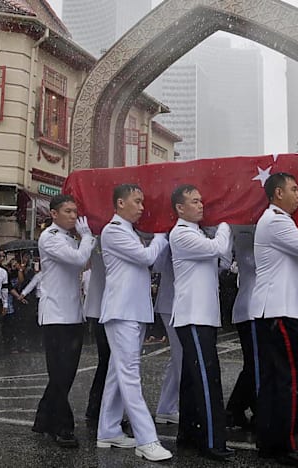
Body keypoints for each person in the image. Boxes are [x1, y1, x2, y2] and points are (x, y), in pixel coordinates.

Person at [249, 172, 298, 466]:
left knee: (274, 380)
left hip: (275, 310)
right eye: (294, 189)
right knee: (292, 379)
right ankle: (291, 445)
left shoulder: (272, 221)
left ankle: (269, 441)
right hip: (279, 312)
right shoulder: (276, 221)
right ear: (277, 193)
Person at [97, 184, 172, 462]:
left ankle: (108, 430)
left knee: (118, 374)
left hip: (134, 311)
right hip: (121, 311)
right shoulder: (114, 230)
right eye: (137, 201)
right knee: (130, 375)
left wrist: (156, 238)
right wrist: (161, 234)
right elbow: (146, 257)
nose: (142, 207)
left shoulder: (130, 232)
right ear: (120, 203)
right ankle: (146, 439)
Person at [168, 184, 234, 461]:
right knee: (208, 379)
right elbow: (219, 247)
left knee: (193, 380)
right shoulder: (181, 233)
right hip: (193, 315)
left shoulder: (196, 234)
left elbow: (222, 260)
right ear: (180, 208)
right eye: (194, 201)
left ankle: (189, 435)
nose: (201, 205)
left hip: (202, 315)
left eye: (201, 200)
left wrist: (220, 241)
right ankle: (211, 441)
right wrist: (227, 222)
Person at [30, 194, 95, 448]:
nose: (73, 215)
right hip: (56, 315)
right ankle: (62, 427)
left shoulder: (69, 238)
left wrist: (85, 240)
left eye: (74, 211)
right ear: (54, 214)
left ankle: (43, 418)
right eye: (67, 211)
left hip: (72, 313)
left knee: (64, 373)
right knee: (60, 373)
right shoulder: (50, 237)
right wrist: (88, 236)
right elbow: (79, 259)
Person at [225, 226, 259, 430]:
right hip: (250, 309)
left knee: (256, 364)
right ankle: (235, 410)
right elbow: (252, 262)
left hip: (260, 308)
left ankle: (239, 409)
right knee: (254, 364)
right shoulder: (243, 232)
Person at [151, 244, 182, 426]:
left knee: (178, 359)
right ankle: (187, 405)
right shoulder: (173, 235)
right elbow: (158, 265)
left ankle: (166, 407)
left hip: (177, 303)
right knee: (182, 358)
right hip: (172, 303)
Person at [83, 246, 111, 426]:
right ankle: (100, 408)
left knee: (107, 362)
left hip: (102, 306)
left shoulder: (99, 238)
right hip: (104, 306)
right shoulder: (103, 237)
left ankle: (98, 406)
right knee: (108, 361)